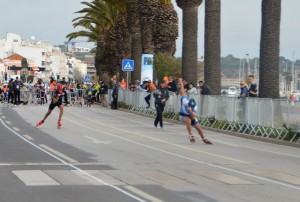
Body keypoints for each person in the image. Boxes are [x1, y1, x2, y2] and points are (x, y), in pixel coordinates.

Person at [178, 78, 212, 144]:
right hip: (183, 115)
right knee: (188, 120)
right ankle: (191, 135)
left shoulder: (194, 108)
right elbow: (182, 92)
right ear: (188, 104)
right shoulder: (185, 102)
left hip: (191, 115)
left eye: (192, 107)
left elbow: (193, 117)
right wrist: (181, 83)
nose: (190, 107)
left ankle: (203, 138)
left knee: (198, 127)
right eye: (189, 106)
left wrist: (191, 111)